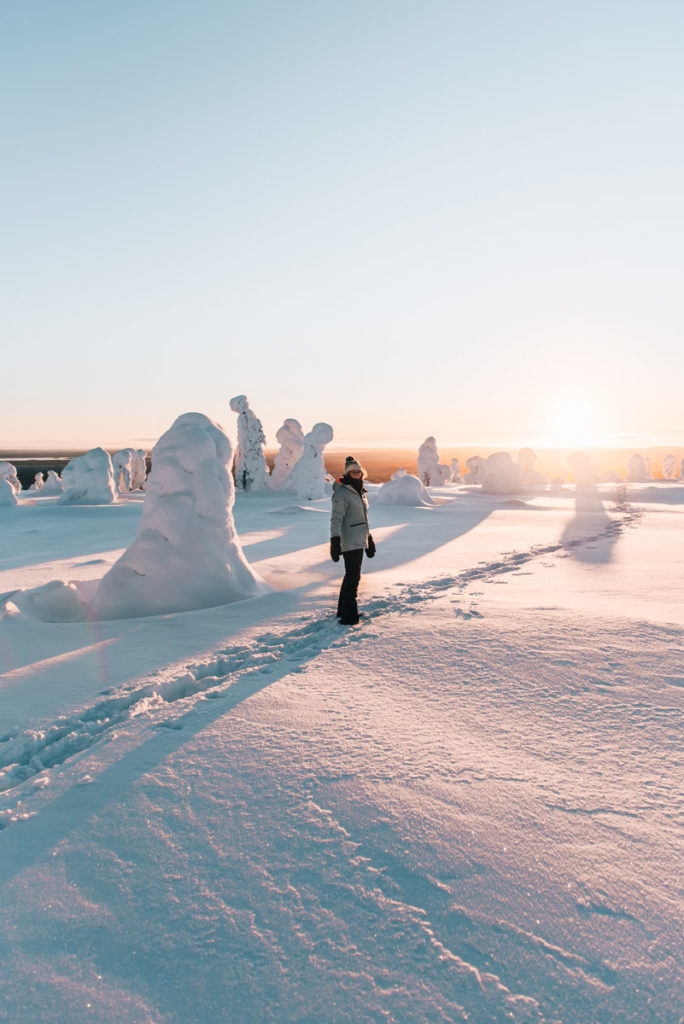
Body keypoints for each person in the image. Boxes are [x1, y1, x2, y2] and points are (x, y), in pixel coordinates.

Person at [330, 456, 376, 624]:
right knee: (353, 577)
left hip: (359, 538)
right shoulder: (342, 493)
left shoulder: (360, 491)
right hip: (349, 539)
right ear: (347, 474)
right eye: (352, 472)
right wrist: (335, 540)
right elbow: (336, 518)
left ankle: (344, 610)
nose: (356, 474)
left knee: (351, 575)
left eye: (358, 471)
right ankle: (349, 616)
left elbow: (363, 517)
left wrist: (369, 538)